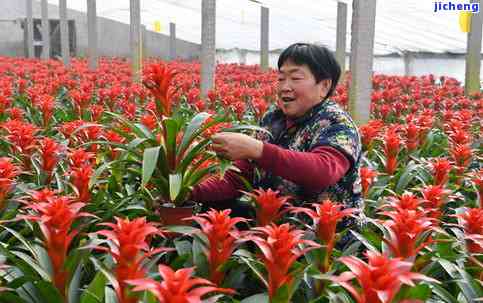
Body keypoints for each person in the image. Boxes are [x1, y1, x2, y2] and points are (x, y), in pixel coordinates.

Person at [191, 43, 363, 229]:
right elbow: (239, 177)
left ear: (324, 86)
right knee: (209, 213)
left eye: (295, 78)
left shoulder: (337, 123)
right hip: (275, 226)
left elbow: (323, 170)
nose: (284, 87)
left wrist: (257, 149)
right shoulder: (273, 119)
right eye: (281, 78)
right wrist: (188, 190)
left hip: (324, 235)